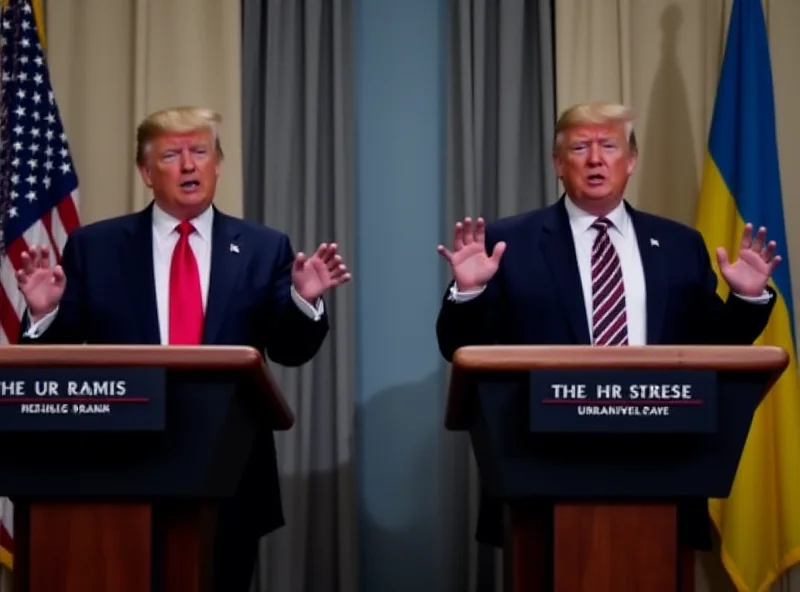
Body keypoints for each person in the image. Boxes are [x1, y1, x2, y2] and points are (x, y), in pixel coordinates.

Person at [14, 106, 351, 591]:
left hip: (230, 469)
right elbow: (56, 361)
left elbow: (290, 350)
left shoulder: (263, 247)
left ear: (218, 163)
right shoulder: (97, 247)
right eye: (172, 155)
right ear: (146, 173)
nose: (190, 165)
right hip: (119, 468)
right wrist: (44, 313)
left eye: (200, 152)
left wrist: (304, 301)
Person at [435, 102, 779, 552]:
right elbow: (457, 346)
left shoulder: (678, 244)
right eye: (580, 147)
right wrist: (469, 292)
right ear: (559, 164)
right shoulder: (509, 242)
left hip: (665, 460)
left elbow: (716, 345)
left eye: (609, 146)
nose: (595, 158)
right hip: (542, 463)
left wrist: (747, 299)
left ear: (631, 161)